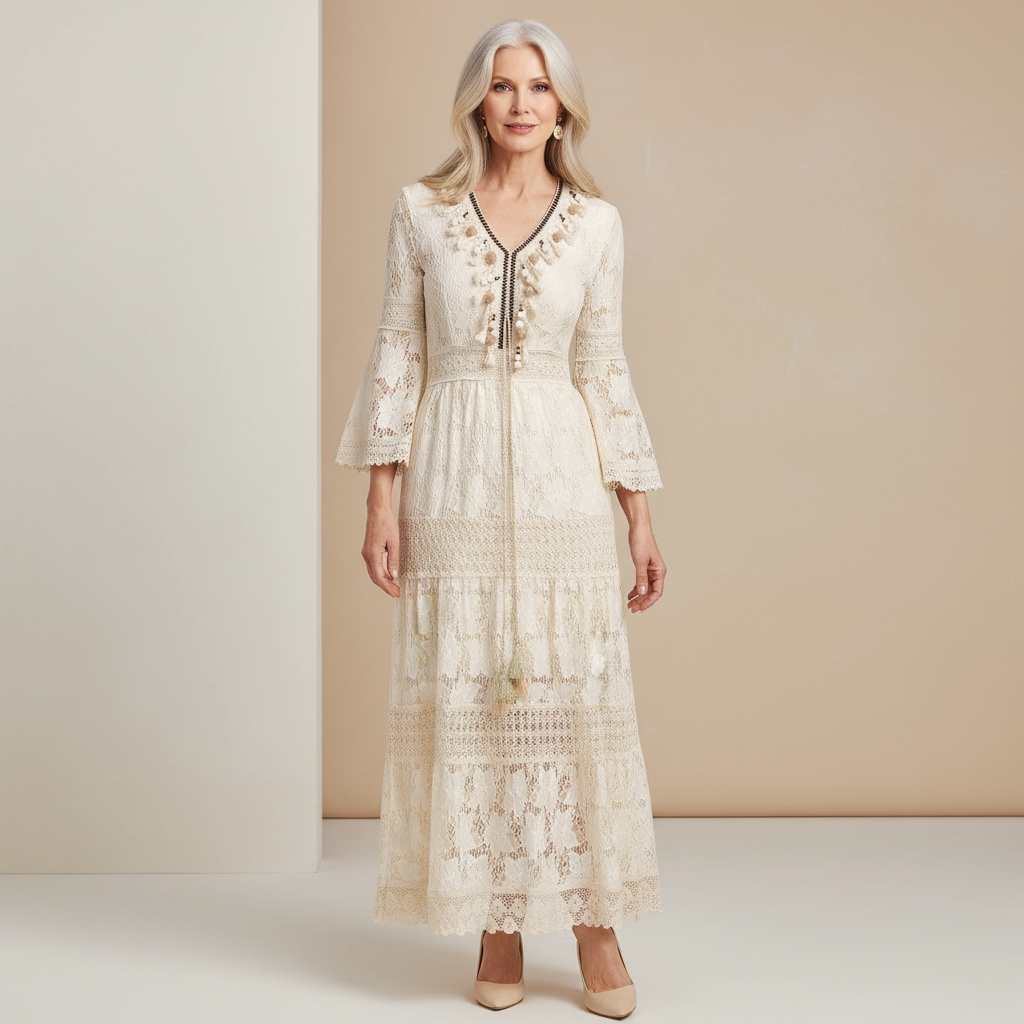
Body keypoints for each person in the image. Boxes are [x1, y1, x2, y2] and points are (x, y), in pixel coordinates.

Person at [335, 18, 666, 1018]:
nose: (521, 104)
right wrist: (380, 498)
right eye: (503, 85)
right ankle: (499, 921)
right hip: (455, 472)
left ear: (563, 107)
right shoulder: (422, 212)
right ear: (477, 102)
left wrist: (638, 515)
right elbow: (399, 350)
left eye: (539, 87)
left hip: (562, 473)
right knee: (476, 693)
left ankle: (594, 922)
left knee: (569, 691)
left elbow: (603, 367)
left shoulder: (596, 225)